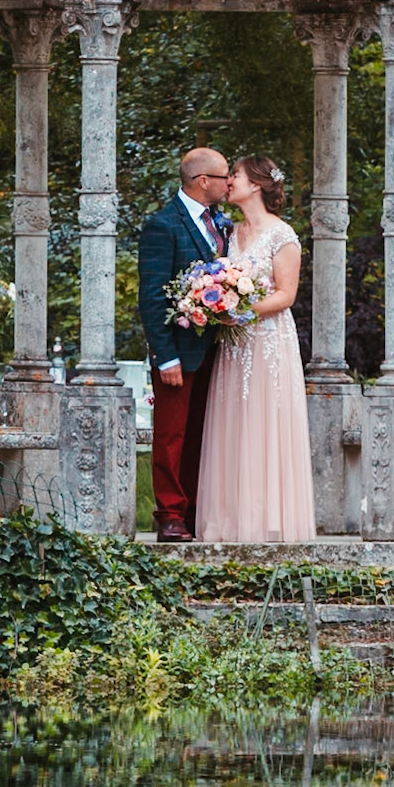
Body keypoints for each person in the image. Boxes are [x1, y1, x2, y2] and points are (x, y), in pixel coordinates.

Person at [194, 155, 318, 542]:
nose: (229, 181)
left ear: (258, 185)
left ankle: (269, 521)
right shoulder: (230, 234)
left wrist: (238, 310)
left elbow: (286, 295)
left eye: (237, 175)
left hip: (268, 342)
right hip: (234, 345)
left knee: (267, 423)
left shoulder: (283, 236)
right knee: (234, 422)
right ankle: (229, 521)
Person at [137, 147, 230, 542]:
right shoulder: (162, 225)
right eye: (225, 176)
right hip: (179, 351)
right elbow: (152, 297)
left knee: (202, 435)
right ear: (203, 181)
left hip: (220, 351)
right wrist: (165, 356)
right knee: (172, 435)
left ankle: (195, 511)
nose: (230, 183)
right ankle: (169, 515)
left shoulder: (222, 225)